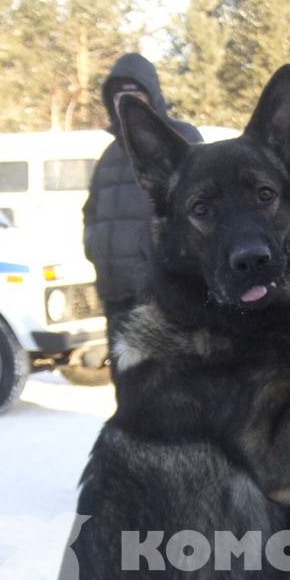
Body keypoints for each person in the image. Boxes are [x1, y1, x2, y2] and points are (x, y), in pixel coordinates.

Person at [82, 54, 202, 361]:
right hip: (116, 293)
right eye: (119, 96)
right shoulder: (109, 155)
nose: (125, 103)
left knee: (172, 386)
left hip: (163, 296)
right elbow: (91, 212)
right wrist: (95, 248)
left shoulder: (181, 139)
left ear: (152, 96)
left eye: (134, 95)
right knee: (125, 385)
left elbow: (199, 208)